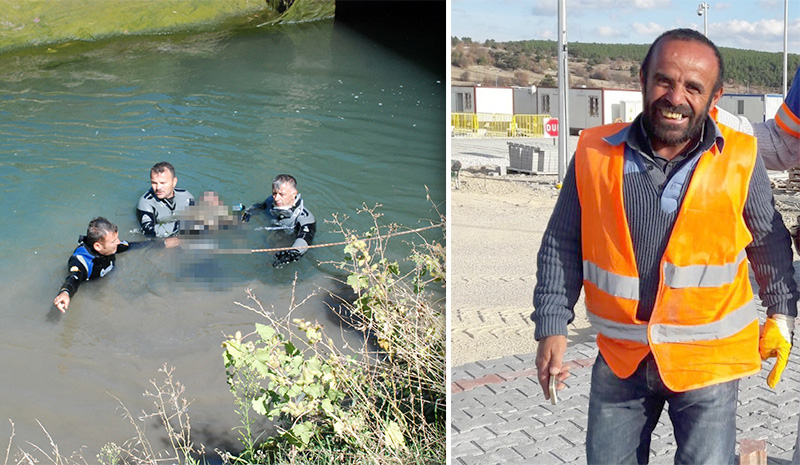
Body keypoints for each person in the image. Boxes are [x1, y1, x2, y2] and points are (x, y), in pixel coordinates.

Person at [532, 29, 798, 464]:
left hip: (709, 364)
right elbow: (562, 243)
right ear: (642, 78)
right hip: (622, 359)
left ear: (715, 96)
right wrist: (551, 325)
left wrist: (782, 314)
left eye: (693, 87)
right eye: (664, 81)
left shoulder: (741, 158)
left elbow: (769, 243)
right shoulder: (594, 154)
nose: (676, 98)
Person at [53, 217, 151, 312]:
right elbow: (74, 278)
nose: (118, 242)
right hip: (93, 293)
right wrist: (65, 293)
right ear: (98, 246)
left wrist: (157, 244)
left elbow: (131, 246)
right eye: (114, 241)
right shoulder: (81, 261)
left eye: (117, 238)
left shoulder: (111, 246)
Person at [241, 174, 316, 267]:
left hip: (289, 239)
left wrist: (293, 253)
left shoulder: (304, 217)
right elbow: (260, 207)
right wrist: (248, 212)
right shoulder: (270, 201)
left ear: (294, 194)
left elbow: (306, 238)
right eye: (274, 193)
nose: (276, 198)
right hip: (272, 234)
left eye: (282, 194)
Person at [136, 161, 194, 244]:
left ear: (174, 182)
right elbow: (149, 232)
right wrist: (181, 226)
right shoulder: (146, 202)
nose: (158, 187)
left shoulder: (186, 197)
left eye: (163, 183)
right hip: (160, 243)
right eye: (154, 183)